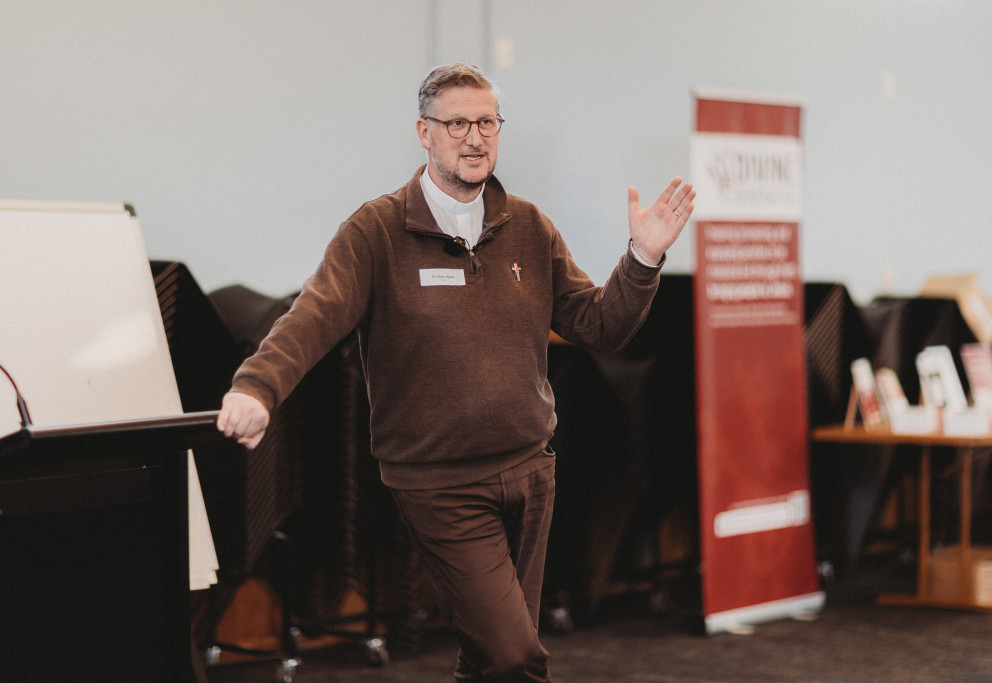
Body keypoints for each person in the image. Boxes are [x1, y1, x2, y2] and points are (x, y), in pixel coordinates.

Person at [217, 62, 694, 682]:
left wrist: (644, 257)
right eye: (458, 124)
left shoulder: (529, 226)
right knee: (515, 656)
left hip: (531, 472)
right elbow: (311, 317)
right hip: (439, 483)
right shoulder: (376, 231)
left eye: (488, 123)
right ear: (425, 132)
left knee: (490, 660)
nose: (475, 138)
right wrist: (257, 387)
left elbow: (600, 327)